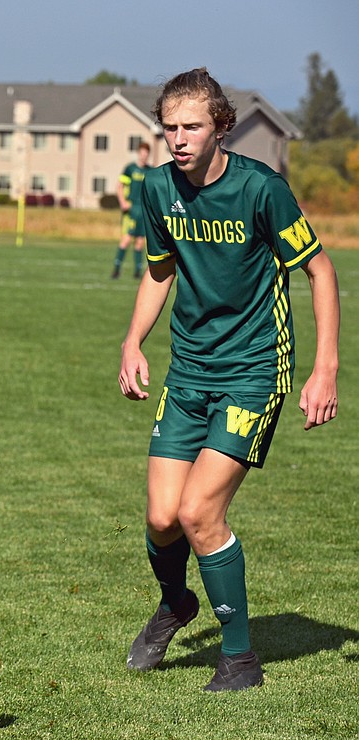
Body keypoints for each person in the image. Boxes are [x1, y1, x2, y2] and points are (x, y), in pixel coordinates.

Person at [118, 68, 340, 691]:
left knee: (198, 511)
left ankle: (239, 657)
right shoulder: (159, 188)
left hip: (253, 370)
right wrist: (133, 342)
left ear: (221, 126)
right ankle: (177, 605)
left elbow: (321, 273)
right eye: (169, 128)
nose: (179, 139)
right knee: (162, 518)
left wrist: (324, 370)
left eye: (191, 126)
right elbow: (160, 270)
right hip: (188, 370)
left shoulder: (261, 189)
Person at [111, 141, 151, 279]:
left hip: (143, 210)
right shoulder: (130, 169)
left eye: (146, 154)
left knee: (140, 242)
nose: (144, 156)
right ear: (138, 153)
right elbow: (120, 185)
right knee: (126, 239)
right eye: (142, 153)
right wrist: (123, 201)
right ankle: (116, 269)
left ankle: (137, 272)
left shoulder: (150, 171)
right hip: (131, 209)